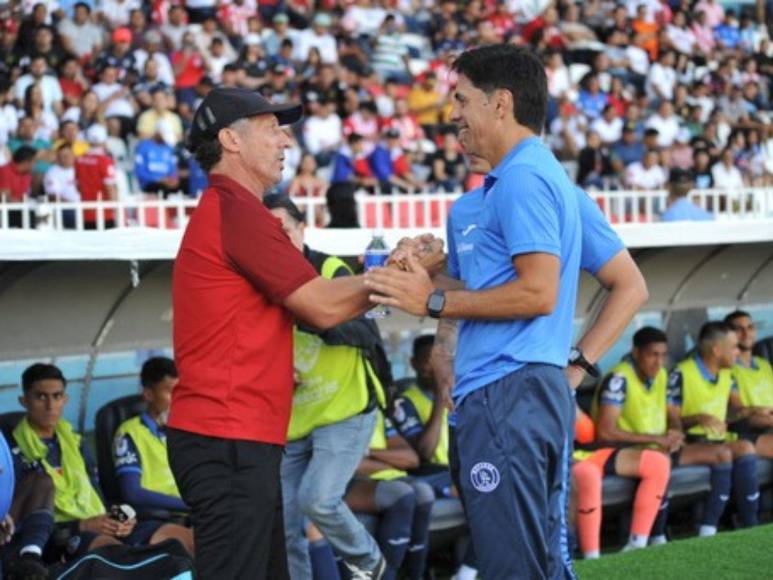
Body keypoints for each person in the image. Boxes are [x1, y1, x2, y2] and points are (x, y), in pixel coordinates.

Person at [366, 44, 583, 579]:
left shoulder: (523, 178)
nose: (454, 112)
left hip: (509, 392)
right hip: (513, 393)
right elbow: (494, 286)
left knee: (513, 566)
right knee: (529, 559)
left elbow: (538, 293)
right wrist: (422, 273)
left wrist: (432, 300)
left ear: (501, 103)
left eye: (462, 98)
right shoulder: (517, 179)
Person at [168, 87, 404, 580]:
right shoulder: (239, 212)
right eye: (272, 129)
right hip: (227, 437)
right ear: (231, 140)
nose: (285, 141)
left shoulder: (232, 209)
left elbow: (320, 305)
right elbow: (320, 305)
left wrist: (394, 277)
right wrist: (398, 274)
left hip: (236, 438)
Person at [262, 194, 388, 579]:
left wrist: (309, 314)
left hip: (344, 410)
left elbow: (364, 331)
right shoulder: (260, 283)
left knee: (318, 499)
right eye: (267, 235)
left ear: (303, 229)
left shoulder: (331, 269)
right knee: (281, 523)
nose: (277, 241)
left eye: (283, 230)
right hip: (293, 419)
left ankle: (371, 565)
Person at [11, 363, 193, 563]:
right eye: (41, 397)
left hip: (100, 522)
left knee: (188, 540)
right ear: (24, 401)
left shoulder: (75, 441)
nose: (50, 406)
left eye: (57, 396)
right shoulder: (12, 447)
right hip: (59, 535)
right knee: (116, 554)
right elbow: (18, 518)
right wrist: (82, 525)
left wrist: (120, 519)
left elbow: (98, 495)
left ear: (65, 399)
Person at [574, 327, 674, 559]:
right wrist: (656, 439)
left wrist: (674, 432)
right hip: (598, 450)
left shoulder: (661, 375)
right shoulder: (619, 379)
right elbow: (604, 433)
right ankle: (591, 558)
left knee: (660, 461)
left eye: (663, 355)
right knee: (587, 473)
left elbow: (672, 413)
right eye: (653, 354)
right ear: (636, 352)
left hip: (628, 450)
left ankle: (638, 545)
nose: (658, 362)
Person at [668, 321, 760, 534]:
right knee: (724, 453)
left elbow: (736, 410)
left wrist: (754, 410)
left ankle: (750, 525)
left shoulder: (728, 373)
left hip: (719, 439)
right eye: (734, 347)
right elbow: (669, 419)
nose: (738, 352)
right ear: (717, 350)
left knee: (745, 447)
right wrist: (697, 418)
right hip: (689, 442)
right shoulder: (681, 373)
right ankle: (708, 528)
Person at [346, 408, 435, 580]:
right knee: (400, 494)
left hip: (384, 479)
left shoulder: (376, 412)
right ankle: (388, 576)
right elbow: (352, 464)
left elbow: (411, 458)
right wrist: (392, 461)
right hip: (346, 484)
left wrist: (371, 453)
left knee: (424, 493)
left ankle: (415, 576)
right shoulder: (337, 411)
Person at [113, 357, 189, 515]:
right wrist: (190, 506)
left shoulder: (184, 429)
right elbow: (132, 493)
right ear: (148, 394)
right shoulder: (129, 433)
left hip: (194, 513)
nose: (177, 400)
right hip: (158, 517)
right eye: (170, 392)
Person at [725, 311, 773, 459]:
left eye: (750, 327)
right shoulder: (727, 368)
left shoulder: (764, 364)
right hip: (745, 430)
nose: (746, 333)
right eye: (739, 329)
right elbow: (741, 414)